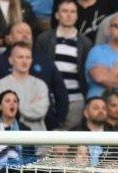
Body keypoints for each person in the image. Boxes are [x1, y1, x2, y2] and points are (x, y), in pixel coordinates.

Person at [37, 0, 94, 129]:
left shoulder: (85, 43)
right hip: (49, 100)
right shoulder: (44, 39)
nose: (69, 15)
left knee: (72, 143)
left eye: (72, 12)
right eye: (65, 11)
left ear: (77, 16)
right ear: (57, 15)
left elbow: (86, 74)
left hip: (76, 100)